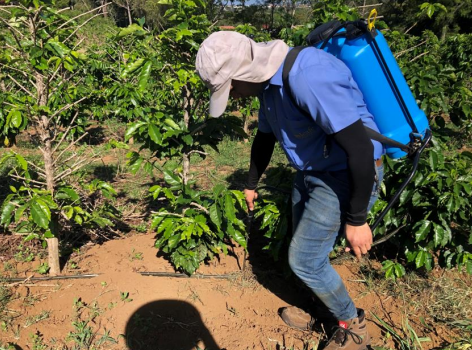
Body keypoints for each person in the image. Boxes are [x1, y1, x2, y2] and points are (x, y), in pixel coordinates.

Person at [195, 31, 384, 350]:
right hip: (312, 171)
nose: (235, 95)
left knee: (306, 259)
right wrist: (251, 183)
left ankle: (353, 327)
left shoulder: (308, 76)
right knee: (307, 250)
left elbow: (362, 150)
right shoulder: (269, 87)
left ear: (243, 74)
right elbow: (265, 137)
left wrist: (357, 219)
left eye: (231, 87)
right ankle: (327, 313)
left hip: (344, 174)